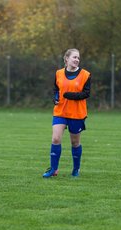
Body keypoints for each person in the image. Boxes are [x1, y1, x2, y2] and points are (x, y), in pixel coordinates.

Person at [43, 48, 91, 178]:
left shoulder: (85, 75)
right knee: (56, 138)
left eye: (78, 58)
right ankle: (53, 169)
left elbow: (86, 93)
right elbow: (56, 89)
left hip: (76, 113)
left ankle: (76, 169)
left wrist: (71, 95)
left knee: (75, 143)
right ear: (66, 59)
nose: (77, 60)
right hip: (60, 111)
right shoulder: (58, 73)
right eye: (74, 57)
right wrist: (55, 97)